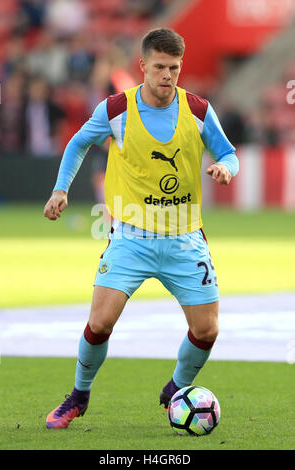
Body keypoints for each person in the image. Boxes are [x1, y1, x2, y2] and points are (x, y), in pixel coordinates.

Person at [43, 28, 239, 429]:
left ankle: (176, 389)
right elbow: (79, 143)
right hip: (132, 238)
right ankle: (78, 397)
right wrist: (61, 189)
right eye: (160, 67)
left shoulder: (199, 110)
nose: (167, 76)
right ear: (143, 66)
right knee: (100, 322)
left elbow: (229, 152)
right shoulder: (116, 109)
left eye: (175, 68)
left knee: (207, 329)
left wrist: (225, 169)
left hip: (185, 238)